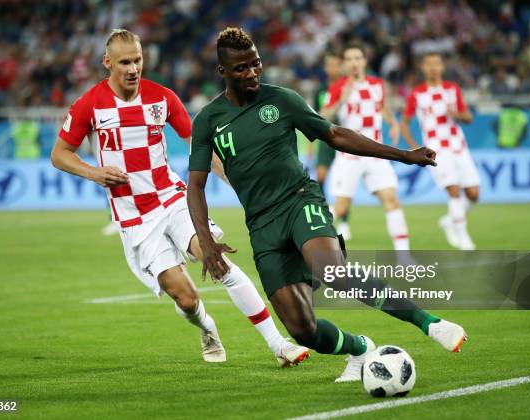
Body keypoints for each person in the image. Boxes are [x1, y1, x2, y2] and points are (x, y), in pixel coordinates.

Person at [187, 27, 467, 383]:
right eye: (241, 68)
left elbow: (334, 134)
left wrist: (403, 156)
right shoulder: (209, 120)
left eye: (256, 64)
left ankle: (431, 323)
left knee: (333, 270)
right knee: (302, 330)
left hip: (299, 200)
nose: (252, 73)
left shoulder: (282, 100)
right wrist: (206, 242)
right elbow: (195, 185)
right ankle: (359, 348)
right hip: (261, 225)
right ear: (222, 72)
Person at [50, 29, 309, 367]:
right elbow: (60, 154)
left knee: (218, 261)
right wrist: (93, 172)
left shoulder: (162, 98)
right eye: (124, 62)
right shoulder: (90, 104)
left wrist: (239, 183)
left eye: (137, 61)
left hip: (173, 199)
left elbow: (197, 145)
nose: (132, 68)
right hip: (135, 217)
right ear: (107, 63)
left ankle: (279, 345)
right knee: (185, 298)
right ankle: (207, 327)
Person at [321, 44, 411, 259]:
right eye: (349, 58)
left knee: (391, 199)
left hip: (376, 154)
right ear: (344, 64)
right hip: (349, 155)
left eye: (358, 57)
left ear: (364, 62)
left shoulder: (377, 84)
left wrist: (393, 123)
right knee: (340, 209)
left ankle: (404, 257)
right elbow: (323, 116)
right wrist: (342, 98)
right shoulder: (337, 88)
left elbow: (382, 107)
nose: (354, 62)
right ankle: (310, 244)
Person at [401, 52, 480, 250]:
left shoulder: (452, 89)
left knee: (473, 194)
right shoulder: (417, 94)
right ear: (423, 68)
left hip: (459, 147)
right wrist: (414, 147)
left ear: (442, 67)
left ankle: (449, 221)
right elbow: (404, 123)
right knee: (453, 189)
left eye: (437, 64)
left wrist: (457, 113)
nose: (433, 68)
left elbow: (469, 118)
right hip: (437, 151)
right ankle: (463, 239)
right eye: (429, 64)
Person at [314, 52, 343, 193]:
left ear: (341, 66)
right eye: (329, 65)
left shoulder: (347, 87)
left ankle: (343, 214)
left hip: (345, 137)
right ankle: (323, 208)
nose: (332, 68)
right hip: (326, 138)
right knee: (320, 174)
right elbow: (313, 118)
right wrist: (311, 147)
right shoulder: (320, 90)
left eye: (335, 65)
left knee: (344, 178)